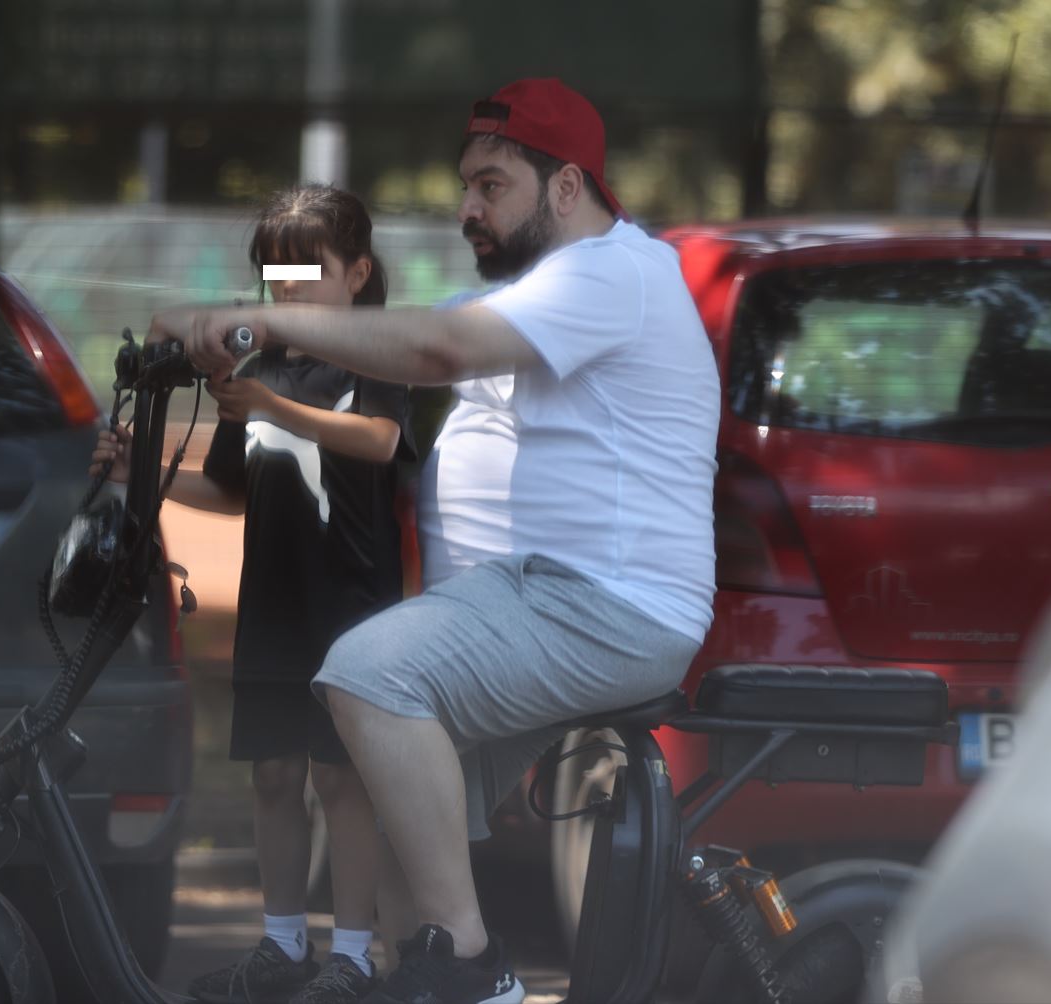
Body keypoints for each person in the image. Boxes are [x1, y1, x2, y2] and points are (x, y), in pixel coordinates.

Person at [150, 78, 720, 1004]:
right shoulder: (535, 292)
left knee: (366, 677)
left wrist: (257, 318)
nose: (466, 209)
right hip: (522, 604)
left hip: (595, 602)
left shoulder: (614, 273)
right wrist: (206, 329)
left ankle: (467, 964)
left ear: (566, 186)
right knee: (389, 802)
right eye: (465, 187)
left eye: (491, 186)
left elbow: (433, 351)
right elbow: (398, 338)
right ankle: (422, 966)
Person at [94, 184, 414, 1004]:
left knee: (340, 780)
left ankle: (353, 956)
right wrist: (137, 469)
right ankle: (282, 945)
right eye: (275, 270)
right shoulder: (258, 368)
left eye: (310, 267)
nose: (288, 284)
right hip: (272, 605)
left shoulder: (377, 356)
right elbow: (230, 489)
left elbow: (379, 442)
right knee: (273, 774)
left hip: (351, 612)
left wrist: (274, 405)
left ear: (358, 273)